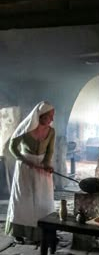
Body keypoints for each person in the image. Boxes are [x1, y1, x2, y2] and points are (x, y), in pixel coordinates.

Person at [5, 101, 55, 244]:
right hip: (25, 168)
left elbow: (50, 150)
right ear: (41, 115)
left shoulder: (51, 131)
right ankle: (19, 232)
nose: (52, 119)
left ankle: (43, 230)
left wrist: (47, 163)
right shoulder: (25, 129)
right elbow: (12, 147)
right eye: (50, 116)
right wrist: (25, 161)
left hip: (42, 169)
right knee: (24, 199)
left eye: (52, 116)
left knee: (42, 198)